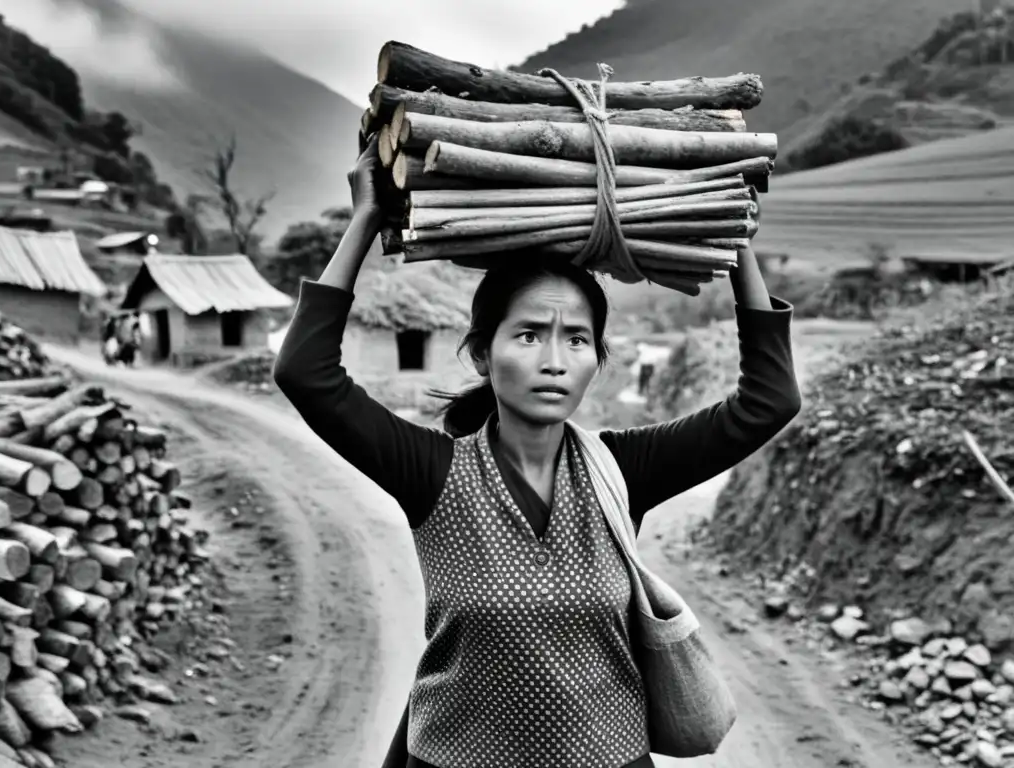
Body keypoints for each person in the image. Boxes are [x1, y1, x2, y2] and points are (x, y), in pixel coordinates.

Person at [273, 139, 802, 768]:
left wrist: (731, 229)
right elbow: (306, 371)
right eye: (529, 334)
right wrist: (363, 220)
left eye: (576, 339)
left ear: (597, 359)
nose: (554, 361)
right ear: (481, 353)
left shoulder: (621, 473)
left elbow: (769, 400)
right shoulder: (433, 473)